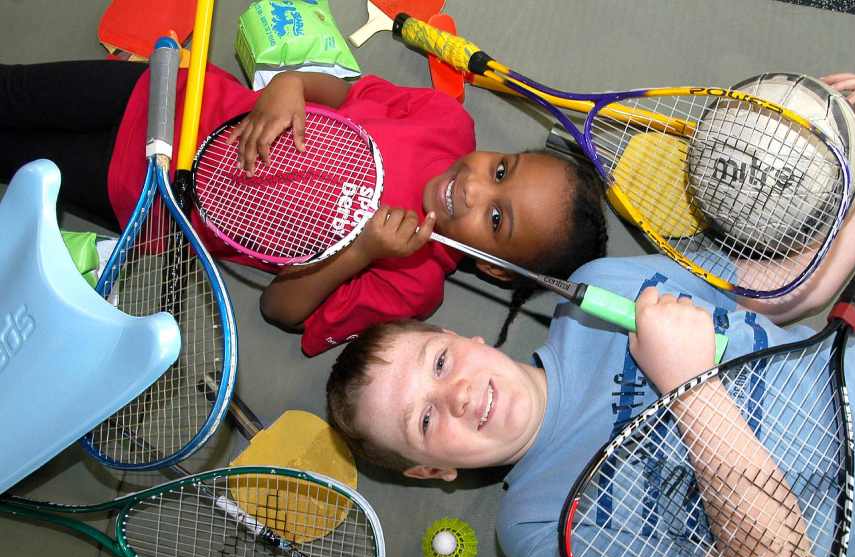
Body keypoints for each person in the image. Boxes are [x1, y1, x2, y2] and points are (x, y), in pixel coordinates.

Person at [325, 74, 855, 557]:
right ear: (431, 470)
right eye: (423, 420)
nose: (460, 395)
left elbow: (786, 292)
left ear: (461, 338)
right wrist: (693, 387)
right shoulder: (536, 529)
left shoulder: (601, 288)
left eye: (439, 364)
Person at [0, 62, 607, 356]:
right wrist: (289, 85)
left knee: (21, 160)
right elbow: (338, 91)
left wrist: (362, 251)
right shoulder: (446, 121)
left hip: (151, 194)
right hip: (181, 98)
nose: (476, 188)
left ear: (497, 269)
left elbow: (279, 308)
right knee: (17, 93)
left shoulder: (414, 288)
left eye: (496, 220)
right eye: (502, 170)